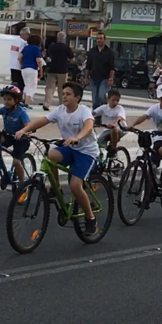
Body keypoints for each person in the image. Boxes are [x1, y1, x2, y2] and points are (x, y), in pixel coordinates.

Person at [15, 82, 99, 235]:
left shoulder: (84, 111)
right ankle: (56, 188)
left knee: (75, 186)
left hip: (87, 152)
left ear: (77, 97)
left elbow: (88, 127)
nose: (64, 96)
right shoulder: (60, 110)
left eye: (68, 94)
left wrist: (77, 138)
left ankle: (90, 219)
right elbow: (43, 120)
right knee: (50, 156)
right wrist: (24, 130)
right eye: (63, 93)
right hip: (70, 148)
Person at [129, 83, 162, 183]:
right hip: (159, 139)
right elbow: (144, 116)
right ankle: (151, 187)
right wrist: (132, 125)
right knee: (152, 165)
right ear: (159, 98)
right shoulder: (154, 108)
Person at [92, 88, 127, 159]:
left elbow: (119, 117)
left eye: (117, 100)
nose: (115, 102)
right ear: (108, 100)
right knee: (97, 142)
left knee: (114, 129)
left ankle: (114, 150)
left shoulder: (119, 108)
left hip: (119, 130)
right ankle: (101, 156)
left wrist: (114, 123)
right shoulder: (104, 108)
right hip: (106, 130)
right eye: (113, 100)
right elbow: (93, 113)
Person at [85, 33, 117, 109]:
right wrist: (86, 77)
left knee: (101, 96)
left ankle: (104, 108)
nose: (99, 40)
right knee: (95, 98)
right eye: (97, 38)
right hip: (93, 77)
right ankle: (96, 113)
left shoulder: (110, 52)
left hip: (104, 78)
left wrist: (111, 78)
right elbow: (88, 65)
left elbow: (112, 67)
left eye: (100, 38)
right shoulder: (92, 51)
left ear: (104, 40)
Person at [44, 31, 73, 109]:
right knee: (62, 88)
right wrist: (67, 61)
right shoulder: (66, 47)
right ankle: (62, 104)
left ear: (57, 37)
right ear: (64, 38)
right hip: (62, 70)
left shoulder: (52, 46)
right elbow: (71, 58)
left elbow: (47, 56)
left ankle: (46, 104)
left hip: (52, 69)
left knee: (50, 88)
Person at [20, 33, 43, 109]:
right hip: (32, 69)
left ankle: (24, 100)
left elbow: (19, 57)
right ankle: (27, 103)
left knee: (27, 85)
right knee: (32, 86)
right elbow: (38, 60)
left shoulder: (26, 48)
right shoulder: (36, 49)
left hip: (24, 68)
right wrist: (41, 70)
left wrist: (22, 64)